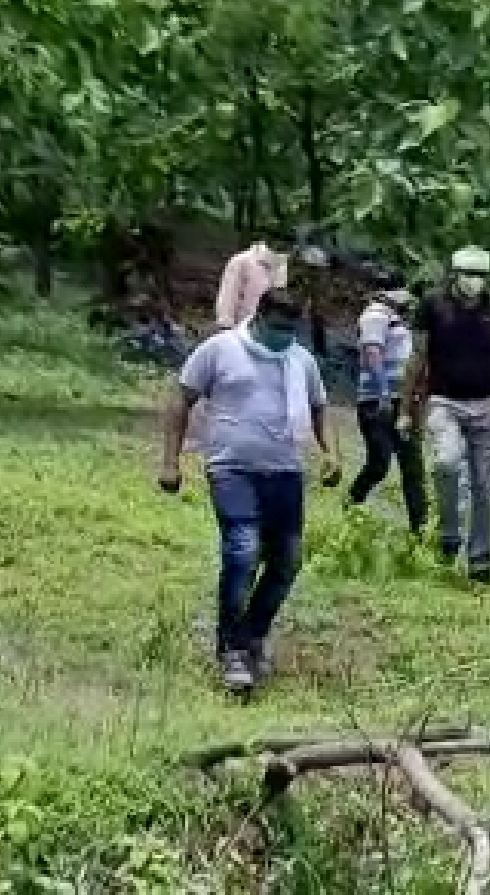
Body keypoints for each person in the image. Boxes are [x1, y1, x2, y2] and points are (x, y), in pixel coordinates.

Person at [158, 291, 341, 693]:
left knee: (287, 560)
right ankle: (231, 649)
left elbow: (319, 408)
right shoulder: (220, 350)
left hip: (286, 470)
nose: (283, 336)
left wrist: (331, 454)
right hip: (231, 466)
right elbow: (180, 399)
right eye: (277, 328)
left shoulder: (300, 360)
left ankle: (252, 634)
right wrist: (170, 462)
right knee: (242, 549)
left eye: (290, 330)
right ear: (259, 318)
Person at [406, 247, 490, 583]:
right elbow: (418, 357)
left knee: (486, 486)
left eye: (481, 277)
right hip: (444, 400)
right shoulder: (432, 304)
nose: (474, 283)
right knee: (446, 463)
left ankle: (480, 560)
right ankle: (449, 534)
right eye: (469, 275)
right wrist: (406, 409)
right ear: (454, 274)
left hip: (488, 402)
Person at [348, 286, 426, 533]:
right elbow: (373, 352)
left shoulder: (396, 317)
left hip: (402, 401)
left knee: (412, 465)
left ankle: (420, 528)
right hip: (378, 400)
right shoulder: (375, 314)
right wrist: (382, 392)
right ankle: (351, 503)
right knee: (379, 463)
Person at [214, 239, 290, 331]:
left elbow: (279, 297)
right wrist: (226, 324)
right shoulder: (242, 261)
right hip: (240, 326)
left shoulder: (281, 265)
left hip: (266, 328)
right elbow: (228, 294)